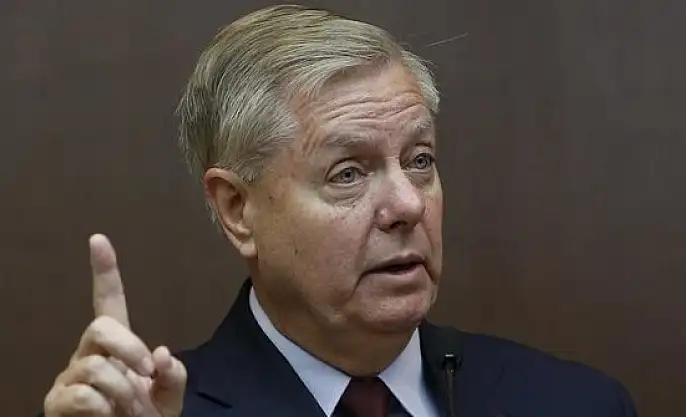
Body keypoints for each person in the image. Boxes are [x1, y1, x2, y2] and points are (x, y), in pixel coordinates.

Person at [40, 5, 637, 417]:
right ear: (237, 209)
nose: (407, 205)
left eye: (420, 161)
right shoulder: (152, 413)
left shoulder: (575, 404)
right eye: (348, 173)